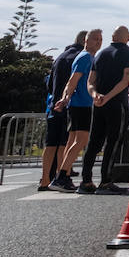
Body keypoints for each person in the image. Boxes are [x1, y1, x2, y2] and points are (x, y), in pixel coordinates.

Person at [78, 25, 129, 194]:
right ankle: (106, 181)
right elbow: (126, 80)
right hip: (116, 102)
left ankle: (86, 181)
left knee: (94, 141)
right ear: (128, 37)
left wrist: (95, 95)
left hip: (98, 103)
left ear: (112, 36)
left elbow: (90, 81)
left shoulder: (100, 54)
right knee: (114, 141)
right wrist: (109, 97)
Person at [52, 28, 99, 192]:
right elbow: (73, 80)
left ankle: (62, 175)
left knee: (72, 141)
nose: (98, 42)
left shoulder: (88, 57)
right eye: (94, 39)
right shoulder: (86, 57)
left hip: (78, 104)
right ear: (85, 41)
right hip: (82, 105)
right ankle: (62, 176)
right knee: (81, 140)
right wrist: (65, 97)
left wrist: (66, 98)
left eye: (100, 39)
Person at [38, 31, 86, 191]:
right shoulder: (82, 57)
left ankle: (45, 180)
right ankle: (60, 177)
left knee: (50, 143)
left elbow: (49, 83)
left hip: (54, 105)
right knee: (64, 143)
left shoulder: (60, 57)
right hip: (70, 104)